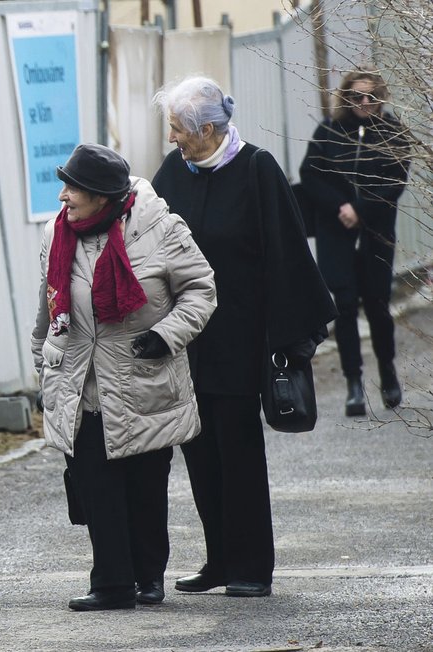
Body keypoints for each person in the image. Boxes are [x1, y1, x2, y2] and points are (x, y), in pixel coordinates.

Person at [151, 76, 336, 598]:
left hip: (240, 339)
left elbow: (287, 254)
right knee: (201, 455)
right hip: (187, 341)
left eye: (178, 129)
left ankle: (252, 566)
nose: (172, 140)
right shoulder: (172, 173)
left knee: (239, 455)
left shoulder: (256, 170)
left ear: (207, 129)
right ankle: (218, 561)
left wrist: (289, 338)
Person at [31, 144, 217, 611]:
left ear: (101, 196)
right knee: (95, 484)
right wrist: (44, 369)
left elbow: (201, 289)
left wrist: (167, 334)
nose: (63, 197)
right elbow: (46, 312)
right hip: (80, 383)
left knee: (144, 485)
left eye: (72, 187)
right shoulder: (58, 236)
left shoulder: (160, 228)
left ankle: (148, 578)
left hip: (143, 378)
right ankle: (112, 583)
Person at [299, 68, 410, 416]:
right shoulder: (329, 131)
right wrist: (341, 207)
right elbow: (310, 175)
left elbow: (396, 181)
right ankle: (353, 384)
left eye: (371, 97)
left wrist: (360, 211)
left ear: (381, 98)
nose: (364, 103)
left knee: (377, 303)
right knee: (344, 305)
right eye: (357, 96)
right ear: (346, 97)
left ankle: (388, 372)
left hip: (376, 229)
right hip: (336, 232)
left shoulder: (393, 133)